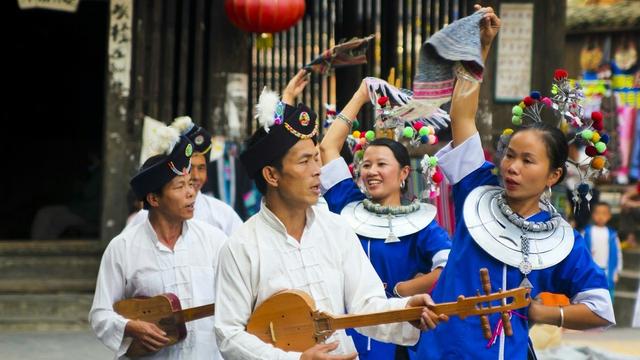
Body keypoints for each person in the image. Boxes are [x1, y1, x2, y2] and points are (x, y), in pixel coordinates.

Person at [413, 6, 614, 359]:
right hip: (440, 351)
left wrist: (544, 313)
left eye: (527, 160)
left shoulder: (560, 240)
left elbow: (600, 307)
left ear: (553, 175)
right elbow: (462, 116)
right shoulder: (476, 190)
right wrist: (480, 48)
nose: (511, 167)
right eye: (510, 155)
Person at [214, 70, 448, 360]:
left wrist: (405, 310)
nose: (317, 170)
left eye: (316, 159)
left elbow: (366, 304)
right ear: (271, 175)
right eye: (304, 161)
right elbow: (229, 335)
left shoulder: (336, 229)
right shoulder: (241, 247)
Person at [319, 80, 451, 360]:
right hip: (347, 334)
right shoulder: (347, 203)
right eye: (366, 164)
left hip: (396, 339)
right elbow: (328, 148)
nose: (371, 171)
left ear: (404, 173)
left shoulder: (421, 224)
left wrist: (400, 289)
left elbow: (448, 267)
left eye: (381, 164)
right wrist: (359, 96)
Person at [89, 130, 228, 359]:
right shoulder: (122, 248)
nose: (191, 193)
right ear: (154, 199)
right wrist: (131, 327)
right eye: (179, 187)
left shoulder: (215, 241)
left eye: (190, 184)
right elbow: (101, 314)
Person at [127, 117, 243, 236]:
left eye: (201, 168)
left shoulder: (223, 216)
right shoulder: (144, 219)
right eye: (190, 168)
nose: (196, 176)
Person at [582, 202, 623, 300]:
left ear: (609, 216)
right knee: (590, 296)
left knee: (607, 297)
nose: (601, 216)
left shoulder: (612, 235)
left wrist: (617, 271)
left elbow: (618, 254)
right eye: (598, 213)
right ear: (593, 215)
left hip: (607, 272)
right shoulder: (587, 232)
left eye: (604, 213)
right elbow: (581, 251)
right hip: (590, 271)